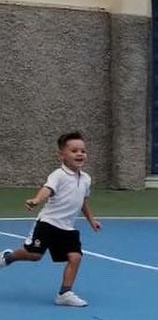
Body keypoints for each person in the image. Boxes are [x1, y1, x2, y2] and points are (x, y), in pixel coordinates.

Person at [1, 131, 101, 307]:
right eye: (74, 150)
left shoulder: (86, 179)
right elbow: (47, 189)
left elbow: (83, 201)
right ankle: (8, 257)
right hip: (48, 223)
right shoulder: (58, 175)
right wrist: (37, 200)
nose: (80, 154)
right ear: (61, 155)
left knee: (75, 257)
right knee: (33, 255)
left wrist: (91, 220)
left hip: (67, 228)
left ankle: (64, 293)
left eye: (83, 151)